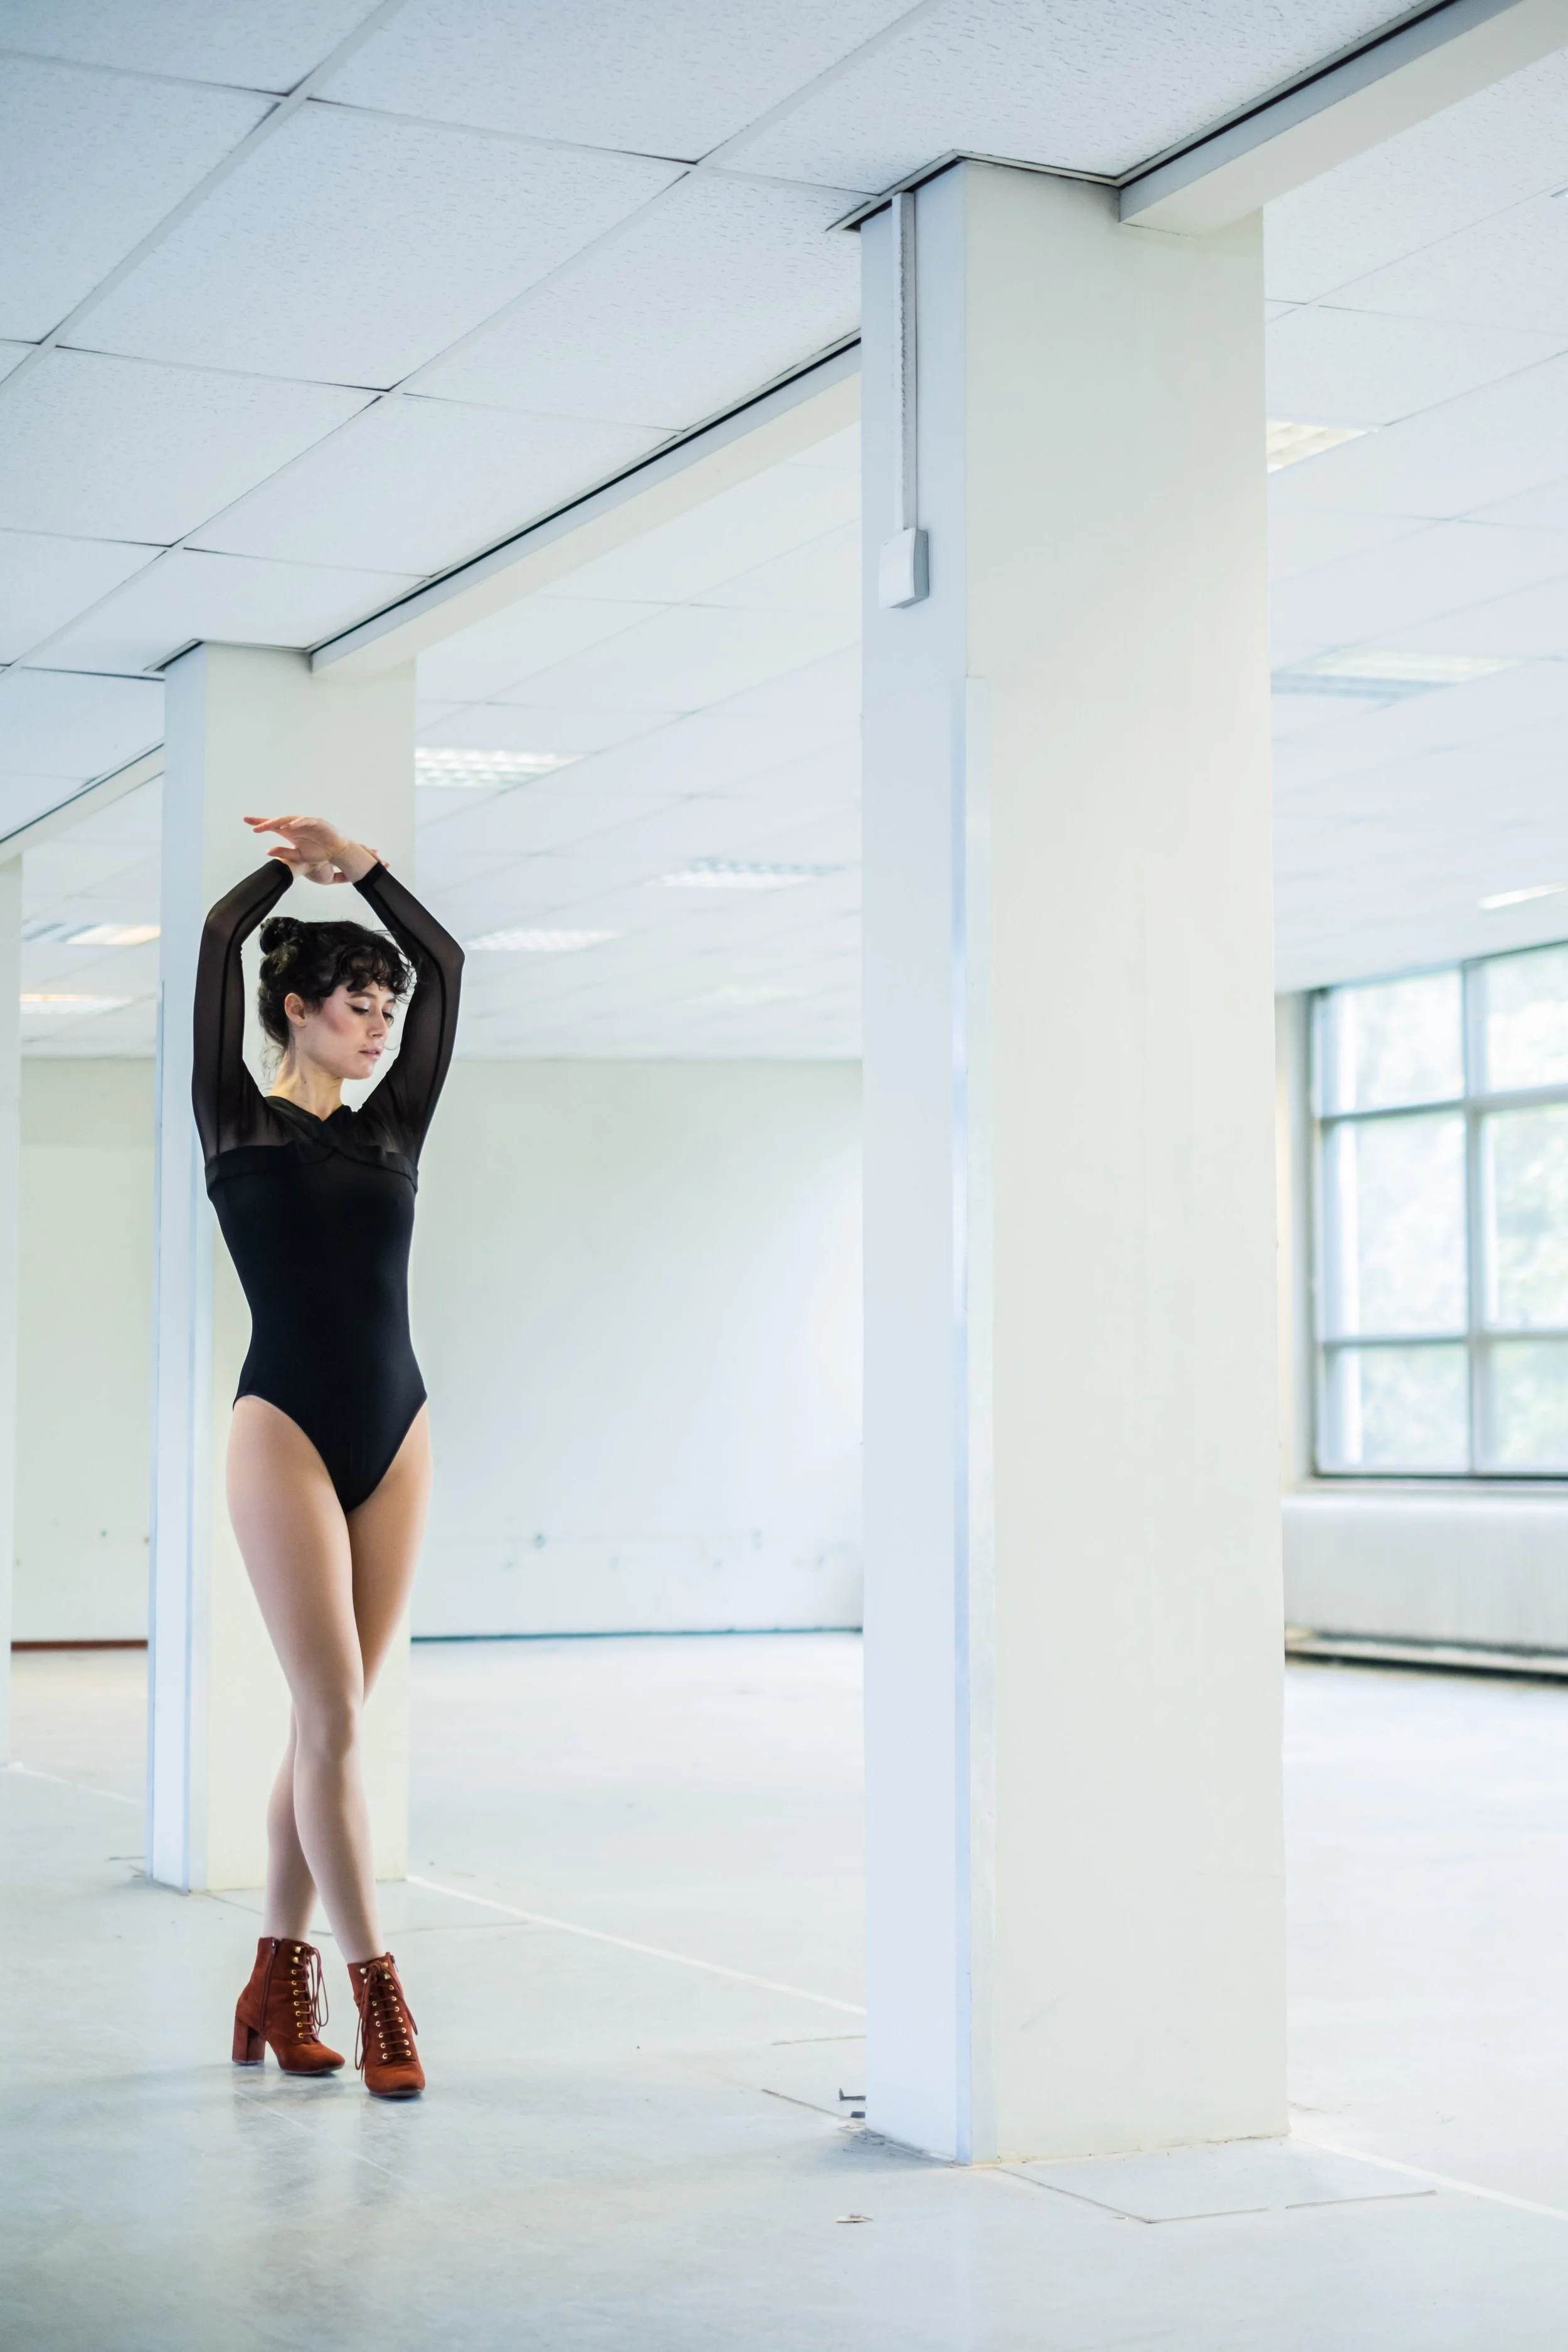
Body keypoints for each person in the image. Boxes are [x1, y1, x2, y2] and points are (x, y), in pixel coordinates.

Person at [193, 813, 463, 2099]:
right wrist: (282, 877)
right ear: (296, 1010)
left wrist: (366, 871)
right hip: (284, 1426)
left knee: (324, 1722)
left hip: (396, 1427)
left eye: (382, 1010)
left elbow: (449, 967)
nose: (379, 1027)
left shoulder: (393, 1127)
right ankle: (378, 1993)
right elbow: (213, 939)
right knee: (337, 1714)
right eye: (358, 1005)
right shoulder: (233, 1124)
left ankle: (271, 1979)